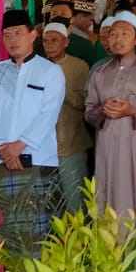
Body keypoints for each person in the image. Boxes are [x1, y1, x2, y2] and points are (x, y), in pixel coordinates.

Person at [0, 10, 66, 251]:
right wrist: (3, 150)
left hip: (39, 159)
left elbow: (48, 115)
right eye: (7, 35)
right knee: (5, 229)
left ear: (33, 35)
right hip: (1, 159)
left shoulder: (50, 71)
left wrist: (20, 145)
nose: (13, 39)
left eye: (18, 33)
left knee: (41, 231)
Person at [85, 11, 136, 225]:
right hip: (109, 150)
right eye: (113, 34)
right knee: (109, 196)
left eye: (124, 33)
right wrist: (103, 111)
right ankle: (112, 254)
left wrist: (133, 111)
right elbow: (89, 112)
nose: (117, 39)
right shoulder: (99, 73)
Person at [41, 22, 92, 211]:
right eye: (46, 41)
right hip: (43, 146)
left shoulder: (79, 67)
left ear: (66, 42)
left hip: (71, 143)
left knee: (75, 201)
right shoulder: (37, 66)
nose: (49, 45)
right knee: (47, 203)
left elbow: (83, 103)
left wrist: (59, 88)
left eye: (55, 40)